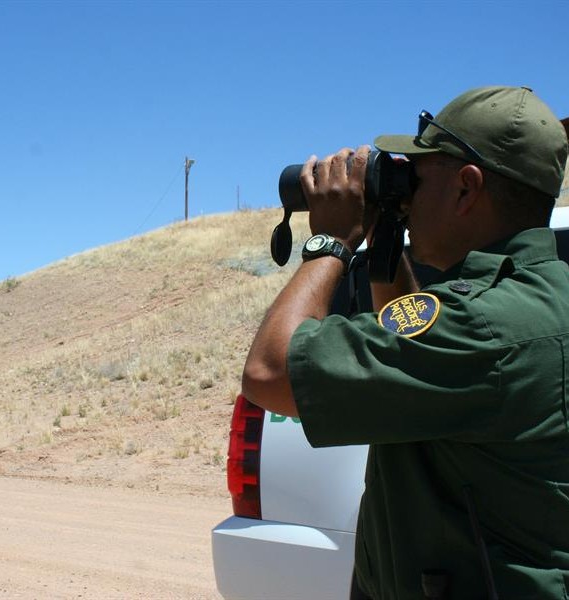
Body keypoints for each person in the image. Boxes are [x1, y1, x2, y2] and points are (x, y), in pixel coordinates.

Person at [241, 85, 569, 599]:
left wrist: (332, 242)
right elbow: (409, 329)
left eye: (415, 176)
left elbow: (269, 372)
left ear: (466, 188)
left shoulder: (484, 328)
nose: (404, 191)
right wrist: (385, 243)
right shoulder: (532, 300)